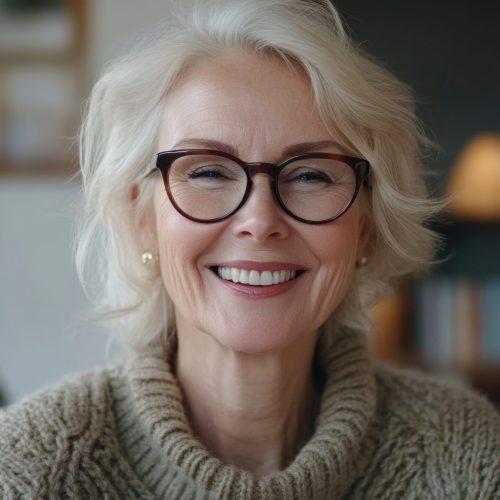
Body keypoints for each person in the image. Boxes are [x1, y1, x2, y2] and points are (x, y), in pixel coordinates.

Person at [1, 0, 499, 498]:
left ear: (365, 225)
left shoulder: (466, 458)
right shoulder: (29, 470)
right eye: (209, 171)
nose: (260, 221)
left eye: (310, 174)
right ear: (142, 218)